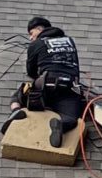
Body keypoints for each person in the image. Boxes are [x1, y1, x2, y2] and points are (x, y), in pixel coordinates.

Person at [6, 15, 85, 147]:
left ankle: (15, 112)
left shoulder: (36, 44)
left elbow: (31, 72)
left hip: (46, 87)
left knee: (19, 94)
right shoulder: (70, 41)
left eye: (31, 33)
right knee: (72, 118)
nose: (31, 37)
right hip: (69, 87)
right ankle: (60, 124)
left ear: (39, 29)